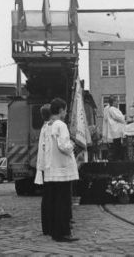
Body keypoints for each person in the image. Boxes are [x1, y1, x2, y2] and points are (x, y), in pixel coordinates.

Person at [43, 98, 79, 242]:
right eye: (65, 110)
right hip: (62, 170)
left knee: (55, 201)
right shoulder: (61, 125)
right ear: (60, 110)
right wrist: (72, 144)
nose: (65, 113)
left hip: (52, 169)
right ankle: (63, 233)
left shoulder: (48, 125)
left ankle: (55, 232)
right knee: (63, 203)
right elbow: (64, 146)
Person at [34, 103, 51, 236]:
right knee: (49, 198)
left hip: (44, 166)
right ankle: (48, 226)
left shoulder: (44, 127)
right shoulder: (48, 128)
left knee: (47, 198)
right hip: (48, 166)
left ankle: (47, 226)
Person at [102, 96, 126, 161]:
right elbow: (118, 117)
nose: (118, 103)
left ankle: (117, 159)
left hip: (117, 131)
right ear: (113, 102)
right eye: (116, 101)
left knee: (118, 146)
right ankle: (116, 160)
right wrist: (123, 117)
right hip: (115, 131)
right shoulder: (112, 109)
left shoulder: (113, 109)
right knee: (116, 146)